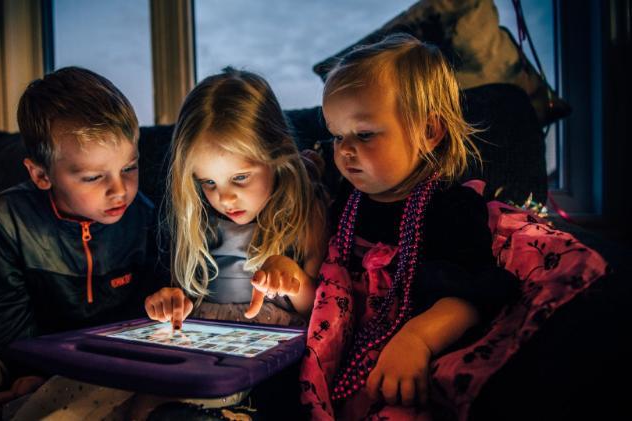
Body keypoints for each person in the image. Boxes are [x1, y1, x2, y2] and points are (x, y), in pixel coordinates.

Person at [299, 33, 519, 419]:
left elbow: (473, 296)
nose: (345, 149)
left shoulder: (449, 206)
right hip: (344, 365)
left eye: (364, 134)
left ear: (429, 132)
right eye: (337, 135)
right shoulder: (345, 201)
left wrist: (417, 340)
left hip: (414, 365)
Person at [0, 66, 165, 419]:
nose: (120, 190)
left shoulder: (144, 216)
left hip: (116, 358)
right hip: (40, 353)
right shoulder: (8, 218)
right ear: (41, 175)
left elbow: (148, 308)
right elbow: (5, 311)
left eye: (129, 168)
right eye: (92, 177)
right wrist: (28, 370)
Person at [145, 67, 327, 329]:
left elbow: (320, 307)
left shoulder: (305, 210)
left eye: (240, 177)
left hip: (276, 346)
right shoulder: (197, 216)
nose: (225, 199)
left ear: (277, 156)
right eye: (208, 182)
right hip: (206, 341)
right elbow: (184, 292)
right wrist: (172, 302)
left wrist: (293, 278)